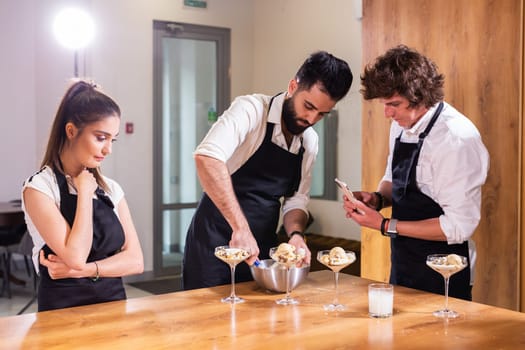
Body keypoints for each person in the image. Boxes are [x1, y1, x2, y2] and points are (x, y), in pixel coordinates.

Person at [183, 51, 353, 290]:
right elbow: (207, 158)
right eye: (308, 106)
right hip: (215, 246)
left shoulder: (309, 142)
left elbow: (296, 201)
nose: (311, 118)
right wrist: (240, 228)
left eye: (322, 114)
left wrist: (296, 235)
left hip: (263, 248)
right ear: (293, 86)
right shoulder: (251, 110)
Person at [344, 45, 489, 301]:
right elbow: (394, 179)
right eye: (384, 104)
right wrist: (376, 199)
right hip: (403, 262)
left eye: (394, 104)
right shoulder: (401, 124)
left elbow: (458, 226)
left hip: (445, 271)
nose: (387, 113)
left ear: (420, 95)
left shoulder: (456, 139)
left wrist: (384, 225)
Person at [22, 80, 144, 311]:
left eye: (112, 139)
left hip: (114, 310)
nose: (108, 149)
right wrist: (85, 193)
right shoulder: (39, 188)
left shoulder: (111, 189)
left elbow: (136, 261)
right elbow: (76, 256)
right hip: (62, 315)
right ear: (71, 131)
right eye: (100, 137)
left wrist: (88, 270)